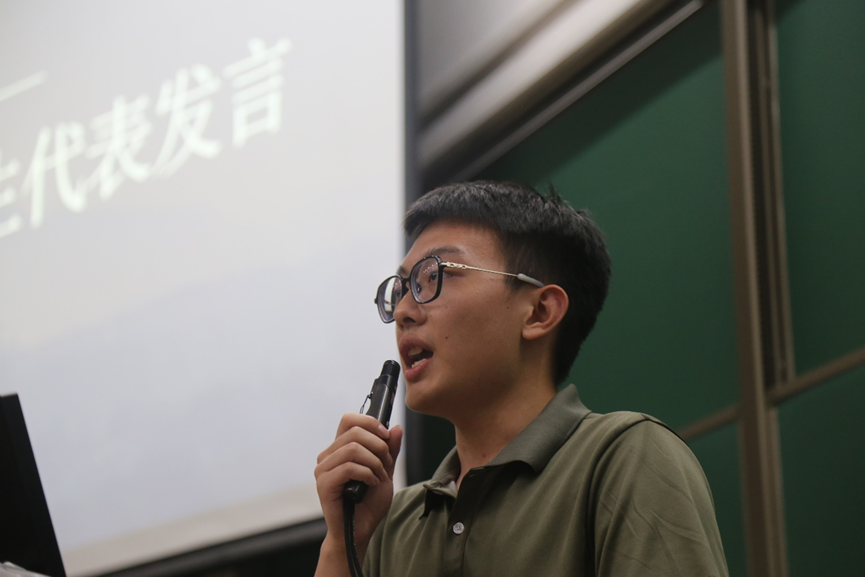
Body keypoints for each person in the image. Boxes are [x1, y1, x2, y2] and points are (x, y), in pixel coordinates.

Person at [314, 181, 728, 576]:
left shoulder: (621, 458)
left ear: (539, 312)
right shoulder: (391, 523)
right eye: (403, 288)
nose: (404, 310)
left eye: (434, 276)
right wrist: (343, 542)